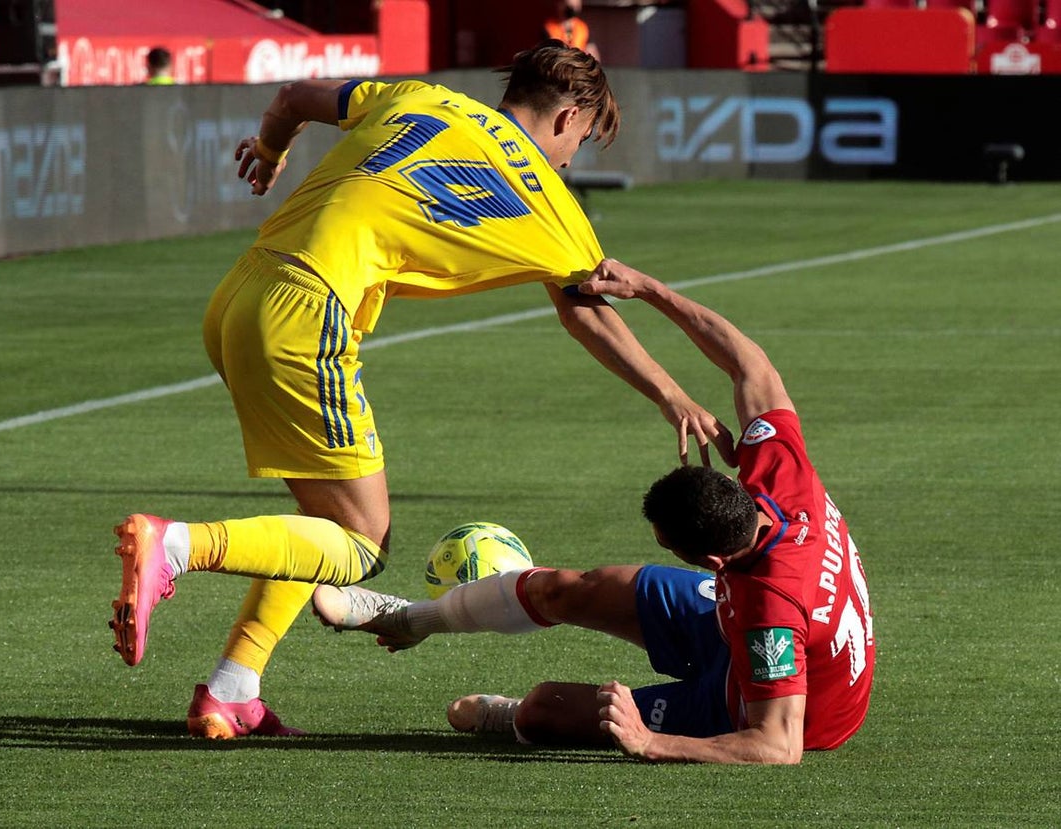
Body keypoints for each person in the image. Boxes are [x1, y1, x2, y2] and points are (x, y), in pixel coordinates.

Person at [108, 42, 734, 739]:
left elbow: (292, 98)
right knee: (358, 543)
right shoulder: (553, 204)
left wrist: (269, 149)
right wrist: (670, 393)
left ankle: (233, 688)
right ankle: (177, 546)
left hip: (238, 295)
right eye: (580, 142)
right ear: (566, 117)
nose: (570, 159)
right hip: (308, 314)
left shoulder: (420, 97)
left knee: (318, 527)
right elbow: (584, 307)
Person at [312, 259, 876, 764]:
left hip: (770, 702)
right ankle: (412, 619)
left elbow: (778, 744)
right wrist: (650, 289)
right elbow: (751, 367)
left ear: (709, 558)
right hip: (744, 630)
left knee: (545, 709)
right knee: (568, 588)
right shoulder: (781, 478)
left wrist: (648, 742)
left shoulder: (770, 610)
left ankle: (511, 713)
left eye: (667, 544)